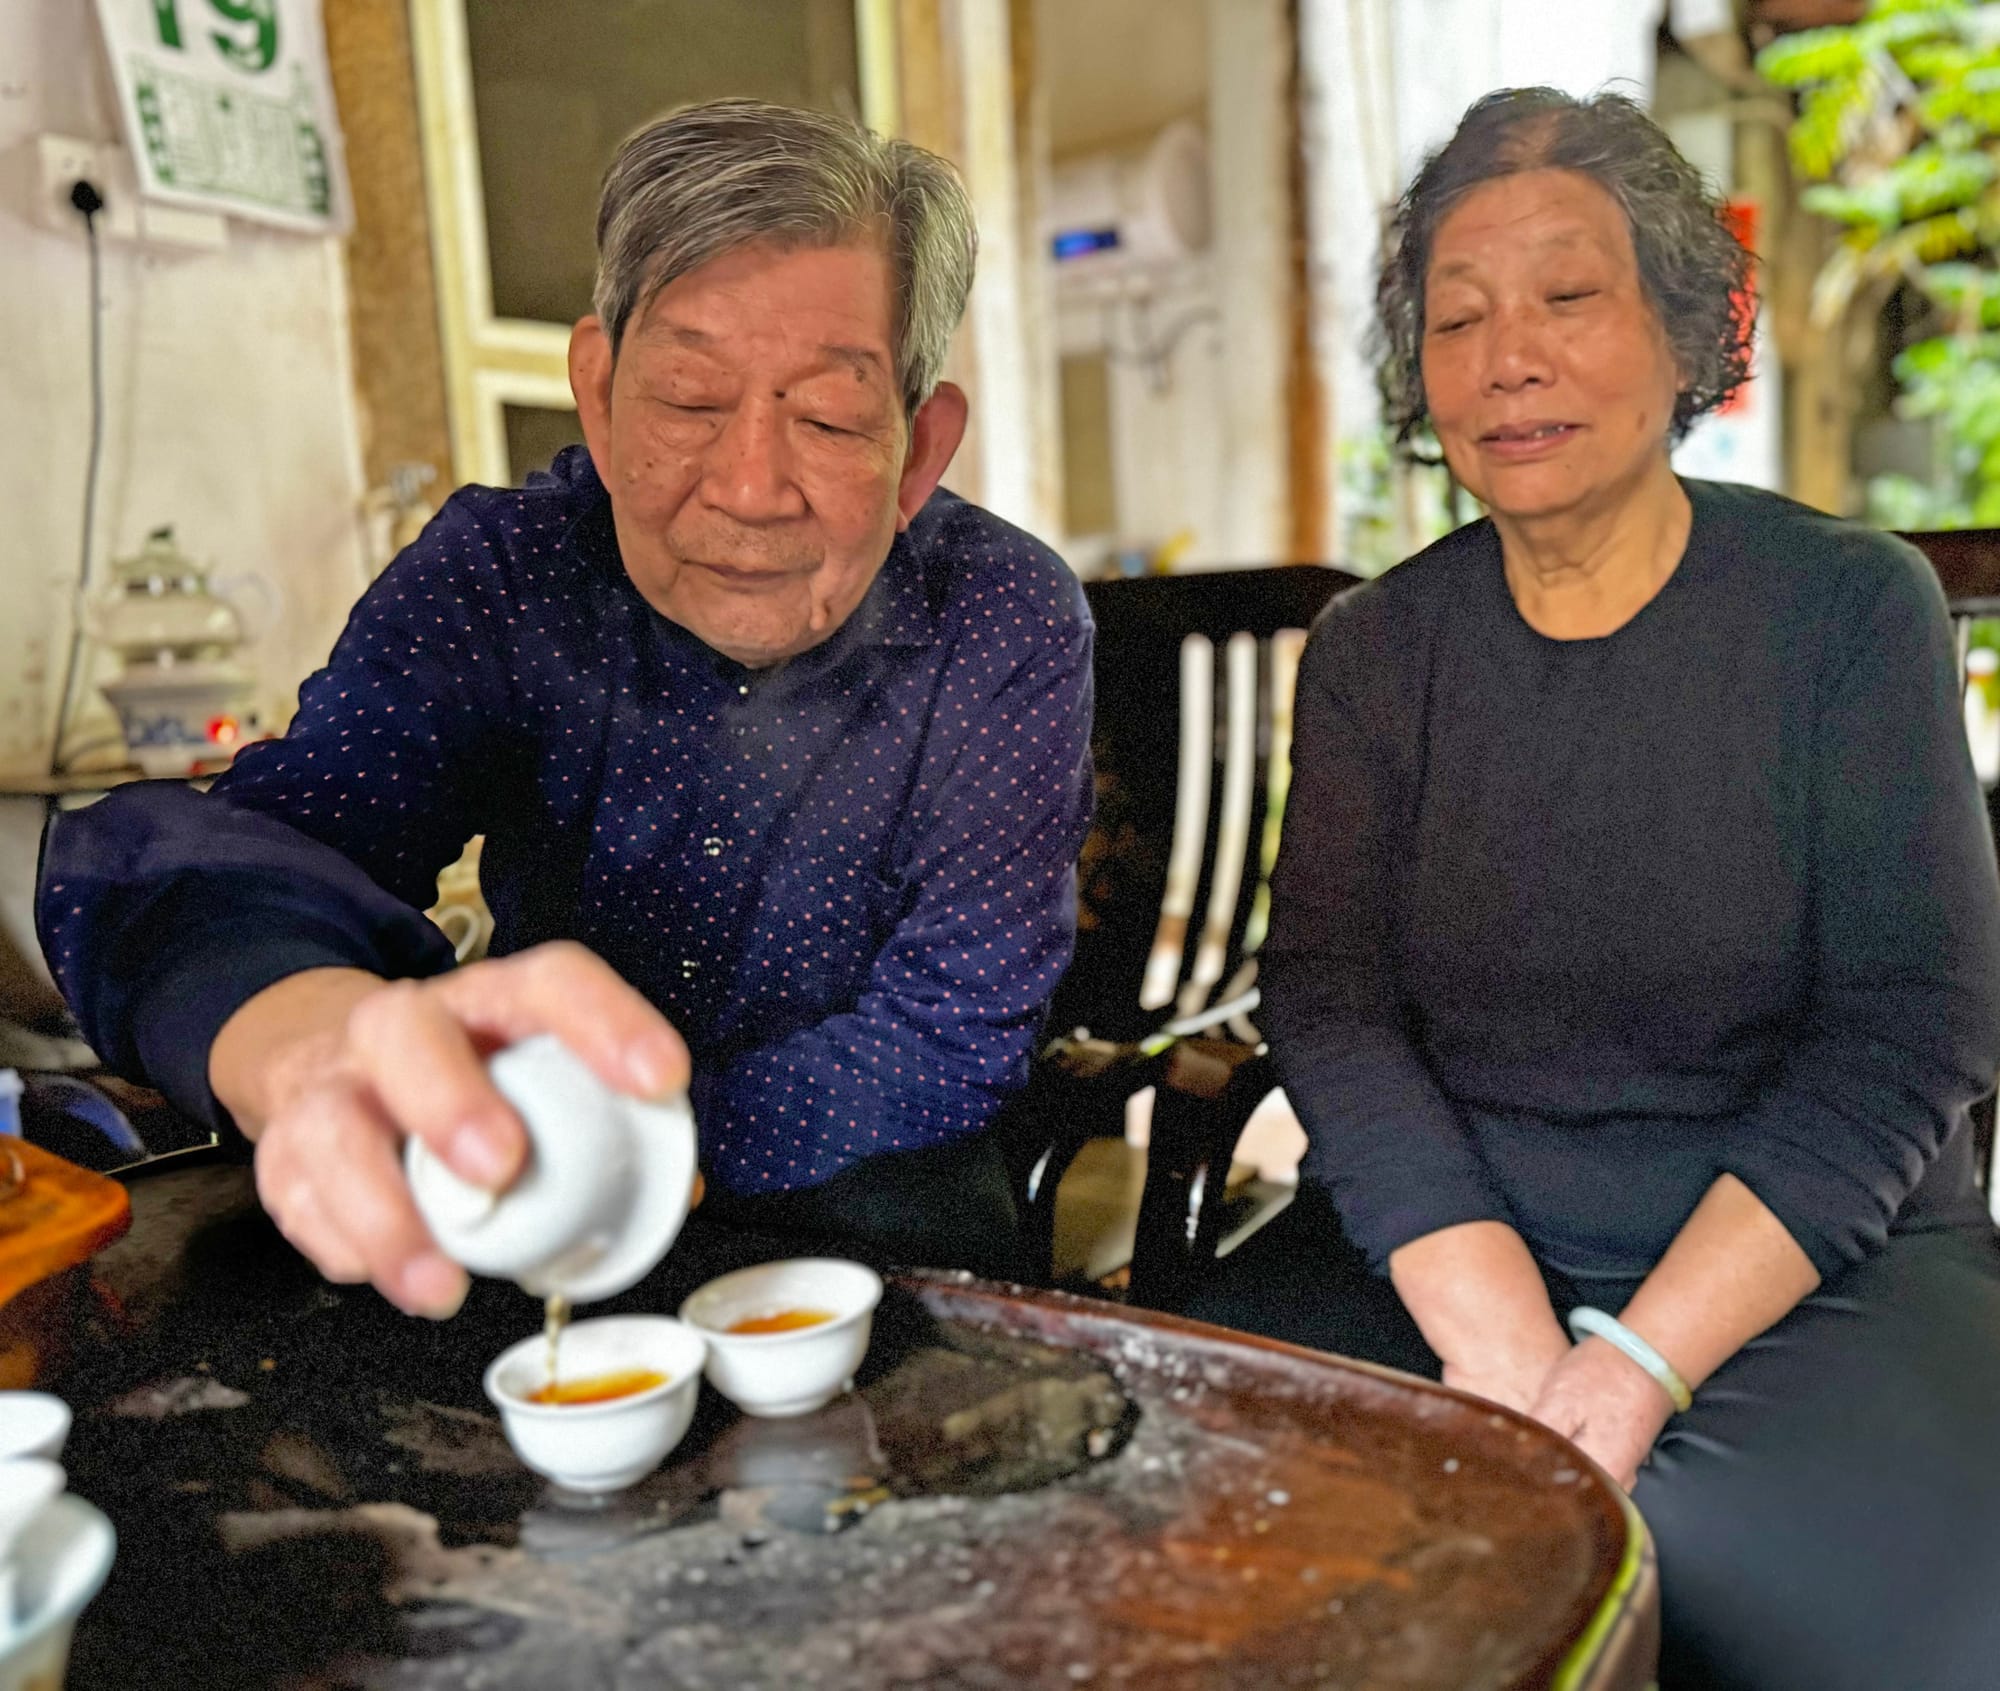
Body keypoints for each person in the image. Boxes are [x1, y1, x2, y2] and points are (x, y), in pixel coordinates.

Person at [1186, 88, 2000, 1690]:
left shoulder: (1850, 610)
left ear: (1688, 336)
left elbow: (1914, 1024)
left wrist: (1628, 1369)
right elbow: (1330, 1003)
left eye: (1569, 295)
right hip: (1440, 1239)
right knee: (1212, 1557)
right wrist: (1498, 1334)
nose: (1509, 358)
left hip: (1809, 1266)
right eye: (1459, 317)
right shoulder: (1375, 653)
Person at [37, 100, 1092, 1314]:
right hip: (529, 1198)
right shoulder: (503, 575)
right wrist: (290, 1013)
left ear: (918, 450)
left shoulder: (1002, 616)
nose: (750, 487)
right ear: (596, 392)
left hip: (875, 1211)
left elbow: (954, 1026)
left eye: (827, 418)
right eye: (688, 398)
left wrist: (628, 1143)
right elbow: (262, 850)